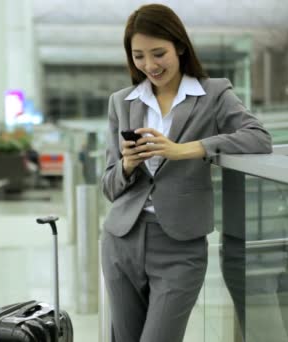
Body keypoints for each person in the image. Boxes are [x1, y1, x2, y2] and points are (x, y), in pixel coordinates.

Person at [100, 4, 272, 342]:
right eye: (139, 56)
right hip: (122, 241)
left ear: (180, 45)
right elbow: (108, 185)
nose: (149, 65)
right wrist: (128, 164)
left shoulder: (214, 94)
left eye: (158, 53)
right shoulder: (122, 102)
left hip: (180, 245)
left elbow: (259, 137)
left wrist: (188, 149)